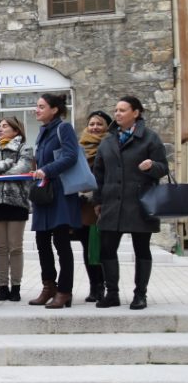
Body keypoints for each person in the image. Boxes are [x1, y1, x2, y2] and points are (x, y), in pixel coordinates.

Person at [93, 96, 169, 310]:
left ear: (135, 113)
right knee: (107, 249)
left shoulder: (150, 138)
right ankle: (112, 294)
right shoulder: (108, 141)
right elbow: (98, 173)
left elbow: (163, 167)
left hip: (140, 203)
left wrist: (151, 166)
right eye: (116, 110)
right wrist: (97, 199)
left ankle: (140, 295)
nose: (117, 114)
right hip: (111, 203)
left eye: (122, 110)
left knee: (141, 249)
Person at [28, 93, 81, 309]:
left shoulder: (64, 128)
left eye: (41, 106)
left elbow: (71, 156)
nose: (36, 110)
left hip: (60, 193)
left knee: (61, 243)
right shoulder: (42, 132)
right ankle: (48, 286)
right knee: (42, 242)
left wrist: (46, 170)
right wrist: (36, 171)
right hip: (44, 193)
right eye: (37, 106)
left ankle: (65, 291)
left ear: (55, 109)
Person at [0, 116, 33, 302]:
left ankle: (16, 287)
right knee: (0, 247)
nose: (0, 129)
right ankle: (2, 286)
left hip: (16, 202)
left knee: (15, 247)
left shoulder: (24, 148)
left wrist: (0, 172)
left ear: (16, 130)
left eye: (5, 126)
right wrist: (6, 164)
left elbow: (22, 169)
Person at [74, 110, 112, 303]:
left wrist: (95, 194)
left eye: (99, 124)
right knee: (87, 247)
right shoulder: (79, 147)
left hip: (103, 205)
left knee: (103, 248)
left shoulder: (111, 146)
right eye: (92, 124)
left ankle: (106, 286)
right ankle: (94, 286)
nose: (95, 127)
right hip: (83, 206)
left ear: (107, 127)